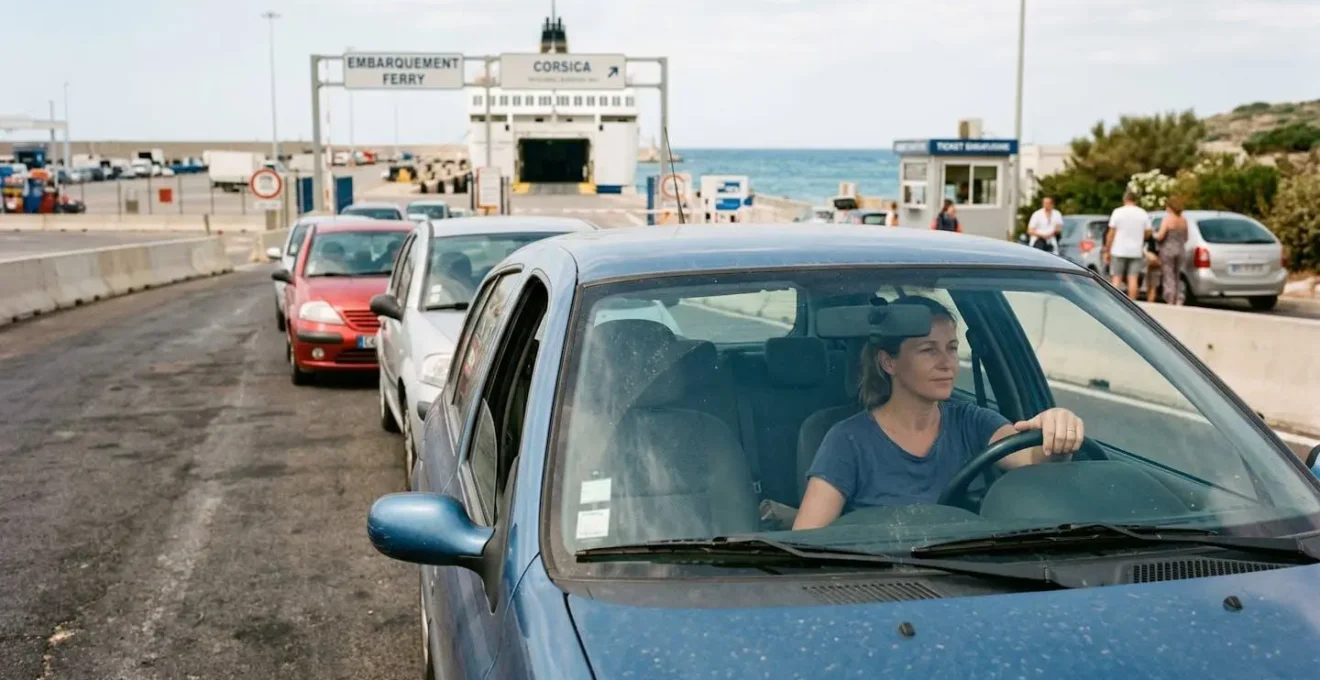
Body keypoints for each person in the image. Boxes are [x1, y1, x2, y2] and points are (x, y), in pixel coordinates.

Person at [793, 297, 1085, 529]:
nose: (947, 363)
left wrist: (1057, 430)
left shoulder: (974, 422)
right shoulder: (847, 440)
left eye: (952, 348)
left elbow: (1033, 459)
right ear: (888, 362)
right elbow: (807, 538)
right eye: (928, 350)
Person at [1104, 192, 1152, 300]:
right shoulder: (1142, 213)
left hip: (1118, 249)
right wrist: (1141, 237)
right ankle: (1132, 302)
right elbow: (1148, 232)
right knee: (1133, 278)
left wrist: (1107, 250)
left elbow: (1111, 233)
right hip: (1136, 250)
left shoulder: (1118, 212)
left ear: (1125, 199)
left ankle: (1114, 301)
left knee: (1116, 278)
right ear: (1136, 200)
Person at [1155, 197, 1189, 305]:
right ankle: (1179, 297)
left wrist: (1154, 235)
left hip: (1168, 249)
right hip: (1180, 249)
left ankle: (1170, 297)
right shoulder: (1183, 220)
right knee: (1177, 274)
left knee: (1168, 274)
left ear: (1170, 207)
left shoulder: (1168, 219)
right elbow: (1186, 237)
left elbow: (1160, 236)